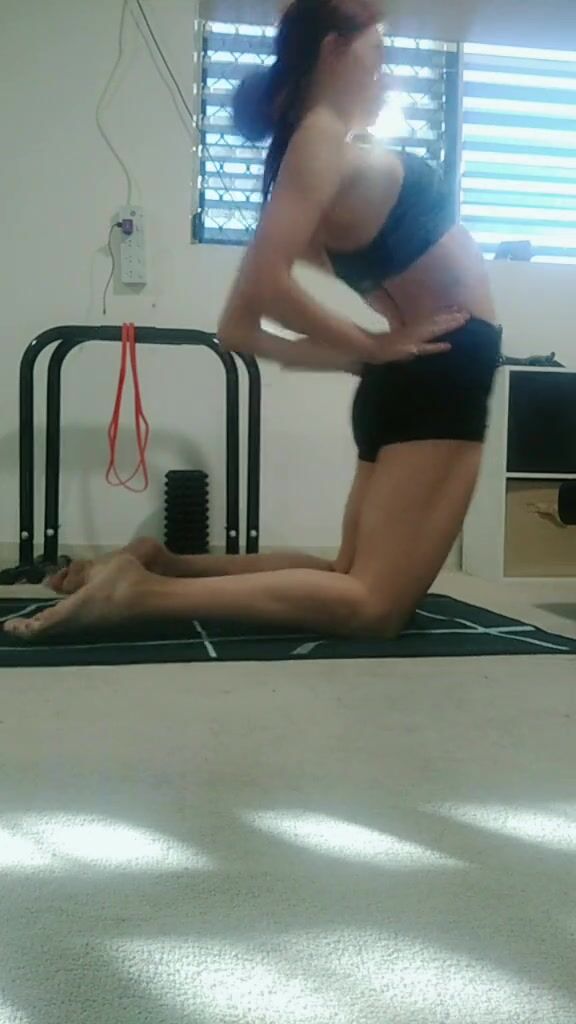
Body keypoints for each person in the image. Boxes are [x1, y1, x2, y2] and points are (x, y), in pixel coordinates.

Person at [4, 0, 502, 642]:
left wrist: (366, 353)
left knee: (348, 575)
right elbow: (262, 291)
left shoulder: (315, 150)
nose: (385, 70)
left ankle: (163, 566)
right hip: (444, 369)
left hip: (414, 373)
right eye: (377, 52)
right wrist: (370, 347)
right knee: (374, 605)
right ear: (334, 50)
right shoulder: (321, 139)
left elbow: (239, 326)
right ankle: (140, 595)